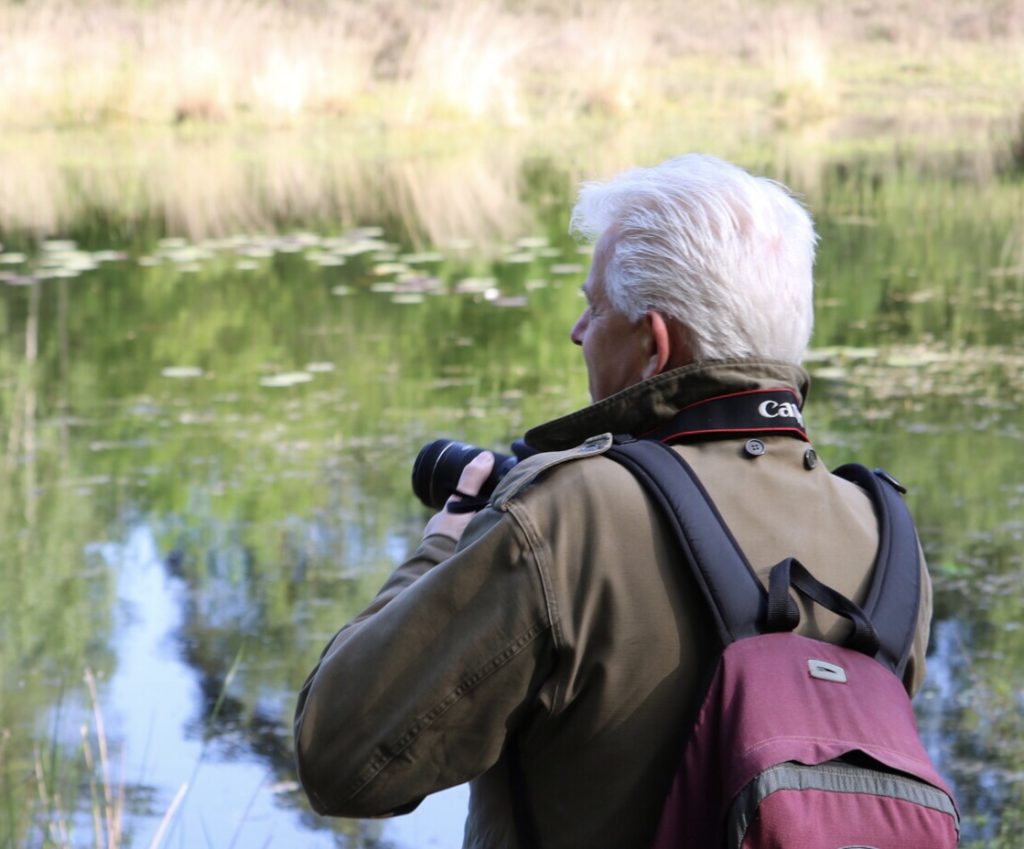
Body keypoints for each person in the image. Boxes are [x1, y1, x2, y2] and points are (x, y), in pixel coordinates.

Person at [293, 154, 933, 849]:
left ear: (655, 345)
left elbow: (341, 758)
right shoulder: (887, 536)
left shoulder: (572, 515)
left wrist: (446, 537)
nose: (577, 330)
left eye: (594, 306)